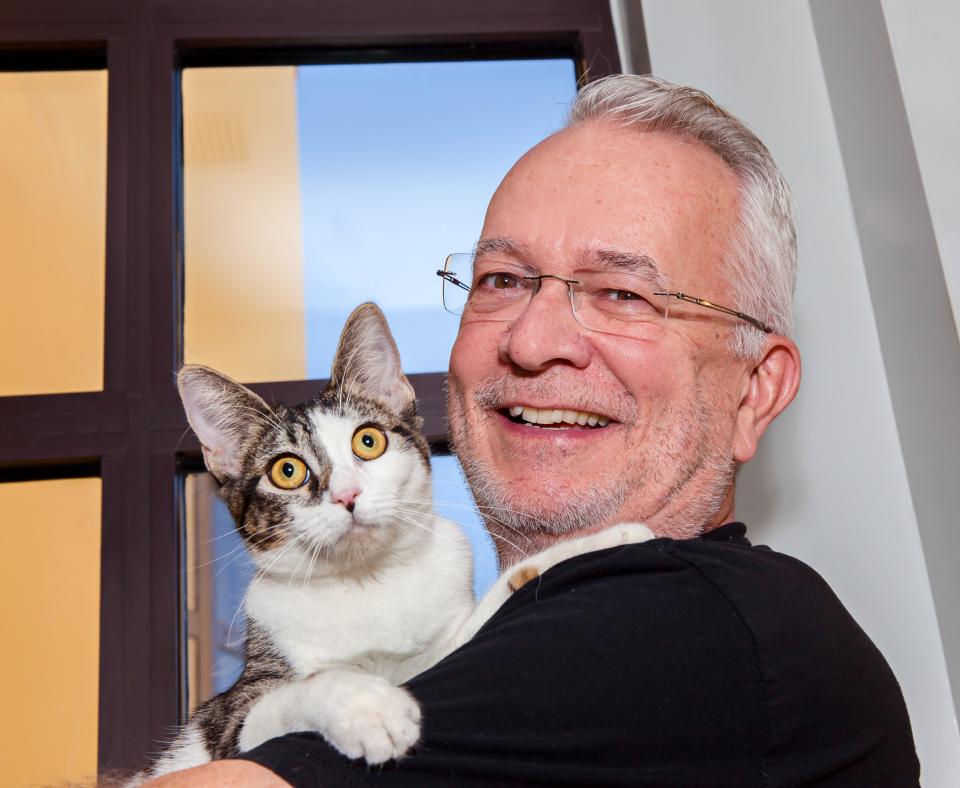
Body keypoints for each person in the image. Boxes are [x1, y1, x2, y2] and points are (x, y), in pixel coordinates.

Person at [151, 75, 919, 786]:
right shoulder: (518, 647)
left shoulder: (702, 636)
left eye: (622, 293)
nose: (531, 339)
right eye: (503, 281)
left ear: (755, 391)